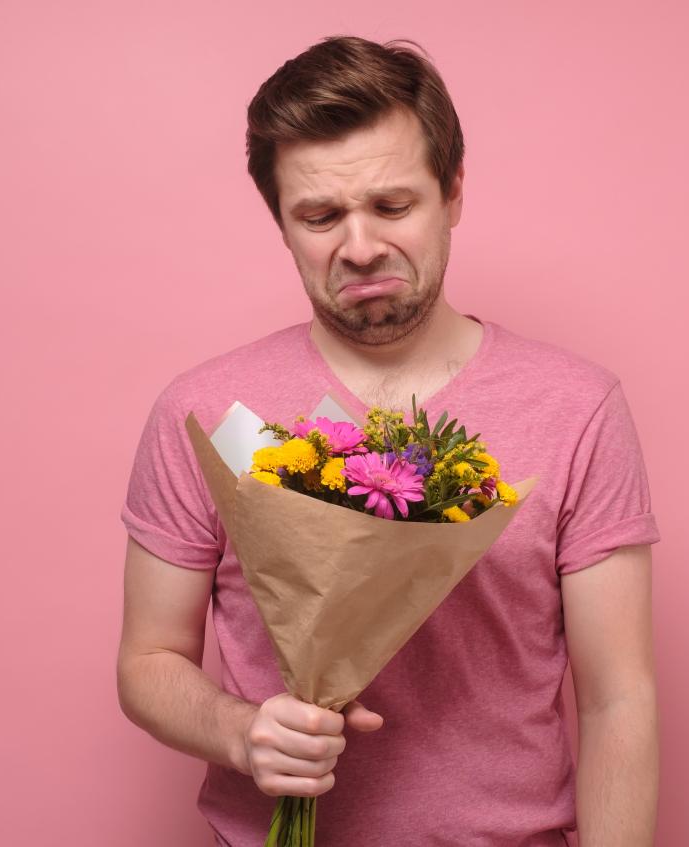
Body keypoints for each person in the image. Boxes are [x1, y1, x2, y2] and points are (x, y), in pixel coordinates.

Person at [116, 35, 661, 847]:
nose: (361, 246)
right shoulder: (202, 412)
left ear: (452, 192)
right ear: (281, 222)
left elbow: (618, 699)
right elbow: (148, 659)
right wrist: (241, 732)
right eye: (320, 216)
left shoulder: (578, 408)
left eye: (393, 206)